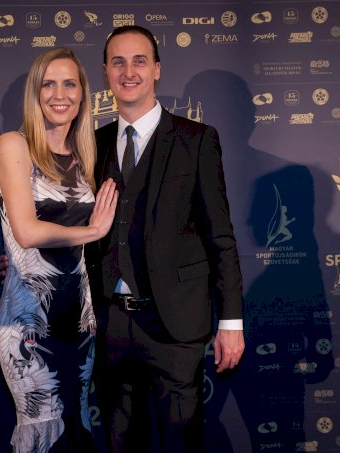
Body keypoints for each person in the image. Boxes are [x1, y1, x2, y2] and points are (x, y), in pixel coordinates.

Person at [86, 25, 245, 452]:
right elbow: (78, 229)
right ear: (106, 72)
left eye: (139, 61)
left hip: (175, 326)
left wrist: (231, 322)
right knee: (120, 444)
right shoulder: (92, 144)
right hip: (110, 324)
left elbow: (221, 237)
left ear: (156, 69)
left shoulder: (197, 140)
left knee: (180, 444)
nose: (129, 72)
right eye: (118, 62)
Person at [0, 47, 117, 453]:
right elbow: (27, 232)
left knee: (77, 425)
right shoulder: (14, 144)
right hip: (29, 319)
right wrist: (94, 230)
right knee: (43, 430)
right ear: (35, 93)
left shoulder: (87, 156)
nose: (59, 94)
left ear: (83, 93)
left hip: (80, 319)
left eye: (69, 84)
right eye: (48, 84)